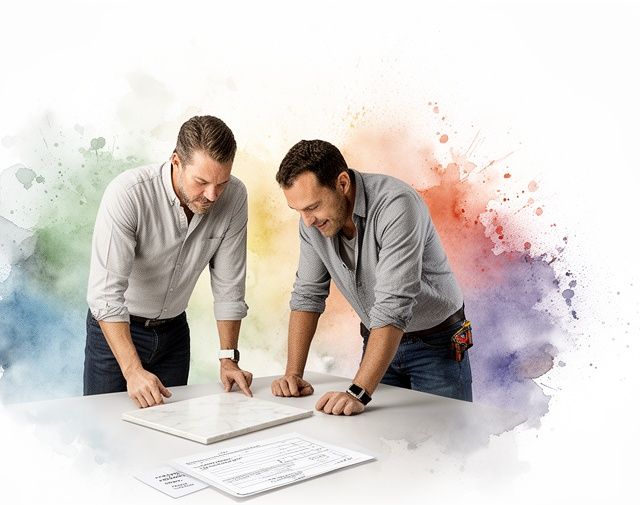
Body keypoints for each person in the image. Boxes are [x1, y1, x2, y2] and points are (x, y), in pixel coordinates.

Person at [271, 139, 473, 415]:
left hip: (435, 345)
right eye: (299, 211)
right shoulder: (313, 223)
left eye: (313, 207)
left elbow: (394, 304)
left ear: (342, 183)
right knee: (383, 447)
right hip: (378, 342)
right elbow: (308, 294)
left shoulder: (397, 205)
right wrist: (293, 374)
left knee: (448, 445)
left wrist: (358, 392)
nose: (307, 221)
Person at [84, 115, 252, 408]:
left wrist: (228, 359)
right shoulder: (128, 194)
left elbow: (229, 288)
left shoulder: (235, 197)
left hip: (174, 335)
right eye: (201, 182)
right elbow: (105, 294)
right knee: (104, 433)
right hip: (117, 332)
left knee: (168, 437)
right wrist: (133, 371)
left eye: (221, 183)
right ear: (176, 161)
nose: (212, 195)